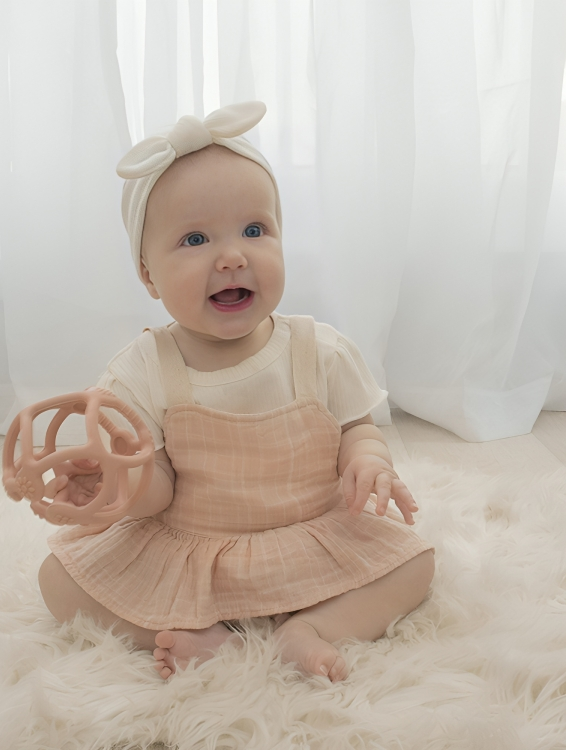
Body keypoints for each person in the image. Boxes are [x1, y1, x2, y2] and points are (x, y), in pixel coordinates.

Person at [38, 102, 435, 683]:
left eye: (255, 230)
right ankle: (196, 636)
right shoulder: (141, 370)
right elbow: (158, 491)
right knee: (59, 578)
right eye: (195, 238)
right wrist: (121, 479)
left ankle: (310, 628)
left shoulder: (317, 349)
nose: (232, 256)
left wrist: (368, 462)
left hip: (310, 533)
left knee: (414, 564)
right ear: (148, 275)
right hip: (197, 546)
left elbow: (357, 427)